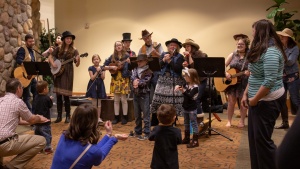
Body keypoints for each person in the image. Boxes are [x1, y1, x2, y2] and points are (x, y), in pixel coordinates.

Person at [241, 19, 286, 169]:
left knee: (263, 142)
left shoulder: (272, 51)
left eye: (253, 30)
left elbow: (269, 81)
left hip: (268, 100)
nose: (252, 33)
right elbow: (254, 74)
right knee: (255, 140)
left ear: (260, 31)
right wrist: (246, 94)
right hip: (257, 99)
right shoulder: (262, 48)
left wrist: (255, 99)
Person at [51, 103, 128, 169]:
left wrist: (108, 135)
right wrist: (114, 138)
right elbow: (98, 154)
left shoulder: (64, 136)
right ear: (93, 124)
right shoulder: (91, 151)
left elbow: (92, 151)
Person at [0, 78, 49, 169]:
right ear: (18, 89)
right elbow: (31, 120)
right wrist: (39, 118)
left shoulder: (1, 100)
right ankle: (11, 167)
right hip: (5, 145)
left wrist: (35, 119)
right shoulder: (17, 102)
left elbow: (15, 121)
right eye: (22, 87)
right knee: (41, 141)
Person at [150, 38, 185, 126]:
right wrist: (164, 60)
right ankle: (155, 120)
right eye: (170, 45)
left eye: (174, 45)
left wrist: (170, 61)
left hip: (174, 80)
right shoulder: (163, 54)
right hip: (162, 80)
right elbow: (158, 66)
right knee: (157, 100)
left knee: (172, 102)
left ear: (177, 47)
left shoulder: (180, 57)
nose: (172, 46)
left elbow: (177, 69)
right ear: (168, 47)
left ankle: (172, 120)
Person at [48, 31, 80, 123]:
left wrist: (78, 60)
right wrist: (53, 63)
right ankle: (59, 116)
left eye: (70, 38)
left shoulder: (74, 50)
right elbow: (50, 57)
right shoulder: (58, 48)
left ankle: (68, 116)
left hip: (68, 72)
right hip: (58, 72)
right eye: (67, 38)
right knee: (58, 95)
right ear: (64, 39)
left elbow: (77, 64)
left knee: (66, 96)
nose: (69, 40)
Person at [275, 28, 300, 129]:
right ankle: (285, 122)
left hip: (293, 76)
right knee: (282, 99)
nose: (281, 37)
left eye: (283, 36)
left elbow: (290, 62)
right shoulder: (279, 47)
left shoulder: (294, 48)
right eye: (281, 36)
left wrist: (280, 59)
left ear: (288, 38)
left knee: (295, 99)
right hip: (282, 76)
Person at [224, 34, 250, 128]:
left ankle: (242, 121)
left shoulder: (250, 55)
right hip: (232, 83)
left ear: (246, 46)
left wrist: (249, 73)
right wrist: (226, 73)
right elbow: (223, 65)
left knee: (242, 102)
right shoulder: (233, 54)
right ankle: (229, 121)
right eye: (238, 44)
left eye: (241, 44)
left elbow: (253, 68)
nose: (239, 46)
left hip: (244, 82)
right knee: (231, 102)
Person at [103, 41, 130, 124]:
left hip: (124, 79)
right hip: (115, 80)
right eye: (117, 45)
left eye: (119, 45)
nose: (118, 46)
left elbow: (131, 67)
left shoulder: (127, 56)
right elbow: (104, 66)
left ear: (122, 46)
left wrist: (130, 63)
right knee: (116, 100)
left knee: (124, 99)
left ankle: (125, 117)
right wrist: (112, 67)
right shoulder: (112, 57)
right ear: (115, 47)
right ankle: (116, 117)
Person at [149, 104, 182, 169]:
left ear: (158, 118)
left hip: (157, 163)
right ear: (174, 118)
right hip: (172, 163)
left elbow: (150, 137)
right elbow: (179, 141)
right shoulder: (177, 131)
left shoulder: (156, 129)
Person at [129, 54, 153, 140]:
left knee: (146, 114)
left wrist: (137, 82)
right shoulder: (135, 69)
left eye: (141, 61)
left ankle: (147, 132)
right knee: (137, 115)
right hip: (135, 94)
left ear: (146, 61)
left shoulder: (149, 71)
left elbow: (145, 82)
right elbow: (132, 77)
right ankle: (138, 131)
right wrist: (135, 81)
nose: (139, 63)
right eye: (138, 61)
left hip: (144, 95)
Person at [15, 34, 41, 112]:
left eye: (33, 41)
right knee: (27, 97)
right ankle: (30, 116)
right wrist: (27, 67)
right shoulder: (22, 49)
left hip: (32, 77)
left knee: (37, 93)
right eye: (30, 41)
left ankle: (34, 112)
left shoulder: (32, 51)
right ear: (26, 42)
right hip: (25, 77)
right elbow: (19, 60)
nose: (32, 43)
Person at [175, 68, 200, 148]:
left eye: (186, 76)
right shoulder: (186, 85)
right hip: (186, 107)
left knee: (194, 123)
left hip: (192, 108)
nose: (185, 77)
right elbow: (182, 88)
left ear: (192, 77)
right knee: (186, 123)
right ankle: (187, 138)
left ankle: (195, 141)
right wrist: (178, 87)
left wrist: (183, 91)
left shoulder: (195, 87)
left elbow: (190, 96)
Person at [182, 38, 207, 115]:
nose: (186, 48)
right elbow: (188, 70)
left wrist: (189, 57)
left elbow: (195, 68)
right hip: (192, 80)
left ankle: (199, 117)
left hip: (201, 80)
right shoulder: (186, 56)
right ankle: (192, 116)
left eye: (188, 46)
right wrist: (184, 66)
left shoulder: (201, 55)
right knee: (191, 98)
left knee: (197, 98)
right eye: (185, 46)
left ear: (193, 47)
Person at [138, 29, 164, 102]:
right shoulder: (141, 49)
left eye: (148, 37)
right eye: (145, 38)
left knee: (157, 90)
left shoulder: (157, 45)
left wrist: (156, 53)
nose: (147, 39)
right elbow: (139, 61)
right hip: (146, 72)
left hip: (156, 71)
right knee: (146, 92)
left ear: (150, 36)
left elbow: (163, 57)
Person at [32, 80, 54, 154]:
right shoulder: (46, 98)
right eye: (47, 87)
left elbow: (34, 107)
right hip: (45, 121)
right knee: (47, 135)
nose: (48, 89)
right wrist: (50, 99)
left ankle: (38, 149)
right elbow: (50, 105)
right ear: (44, 89)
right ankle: (47, 148)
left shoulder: (35, 97)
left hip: (37, 121)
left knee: (37, 135)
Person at [86, 54, 107, 123]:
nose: (96, 60)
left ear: (99, 60)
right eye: (94, 59)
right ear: (92, 61)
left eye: (97, 59)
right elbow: (92, 78)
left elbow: (103, 77)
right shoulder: (90, 68)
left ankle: (98, 117)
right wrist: (97, 71)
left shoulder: (102, 67)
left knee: (99, 103)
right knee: (94, 103)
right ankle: (94, 117)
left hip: (100, 85)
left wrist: (100, 71)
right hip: (93, 85)